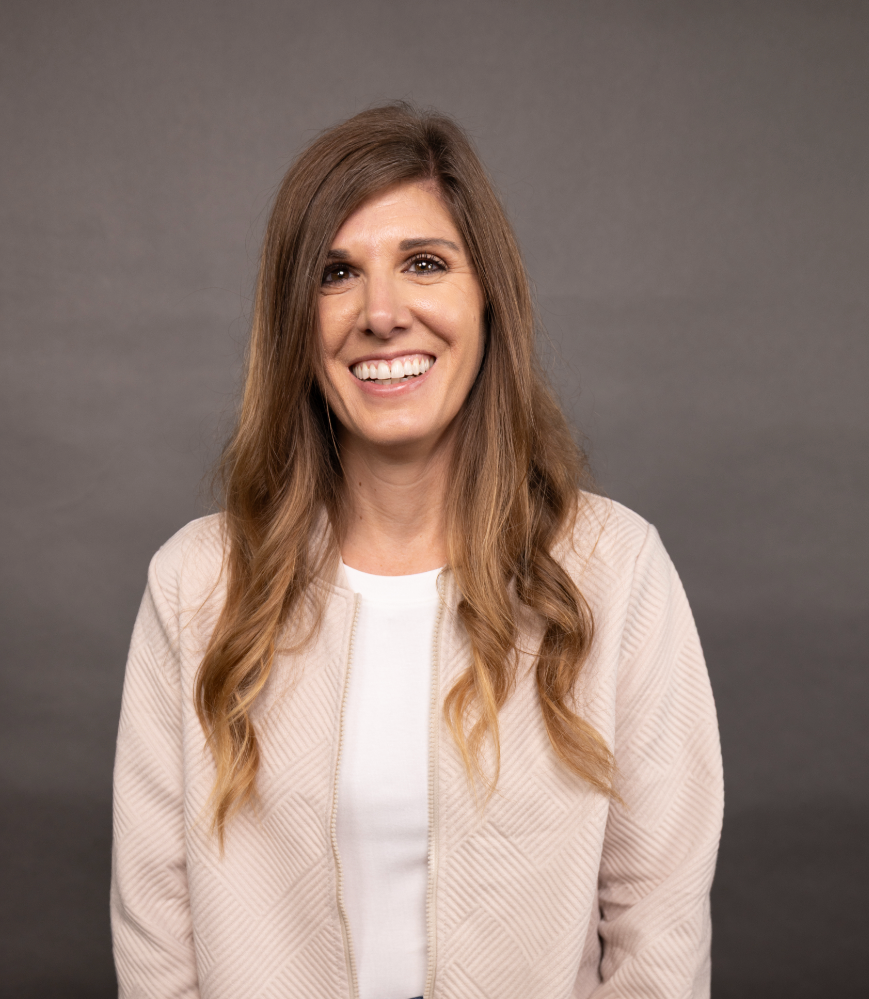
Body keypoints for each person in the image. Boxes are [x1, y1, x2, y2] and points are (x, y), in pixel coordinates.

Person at [111, 103, 723, 999]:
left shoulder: (614, 570)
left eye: (425, 264)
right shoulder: (195, 586)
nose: (382, 313)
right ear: (295, 324)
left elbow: (659, 934)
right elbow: (159, 943)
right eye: (336, 274)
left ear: (487, 298)